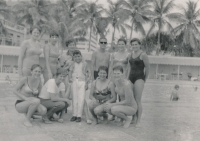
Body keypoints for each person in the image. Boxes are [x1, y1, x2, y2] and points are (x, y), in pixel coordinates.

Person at [128, 38, 150, 126]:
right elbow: (129, 67)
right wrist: (127, 78)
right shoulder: (130, 55)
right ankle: (134, 118)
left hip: (139, 78)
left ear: (139, 45)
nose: (134, 46)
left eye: (136, 44)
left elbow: (147, 67)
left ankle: (139, 121)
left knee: (137, 100)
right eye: (133, 45)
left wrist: (145, 79)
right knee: (132, 100)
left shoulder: (143, 55)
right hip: (131, 78)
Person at [68, 50, 90, 122]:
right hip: (74, 81)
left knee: (81, 99)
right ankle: (74, 115)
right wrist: (70, 79)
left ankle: (79, 115)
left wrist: (86, 83)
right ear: (73, 58)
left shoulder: (85, 64)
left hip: (82, 81)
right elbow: (70, 72)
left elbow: (87, 74)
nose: (77, 58)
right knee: (74, 98)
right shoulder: (72, 64)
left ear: (81, 56)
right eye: (75, 57)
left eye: (78, 56)